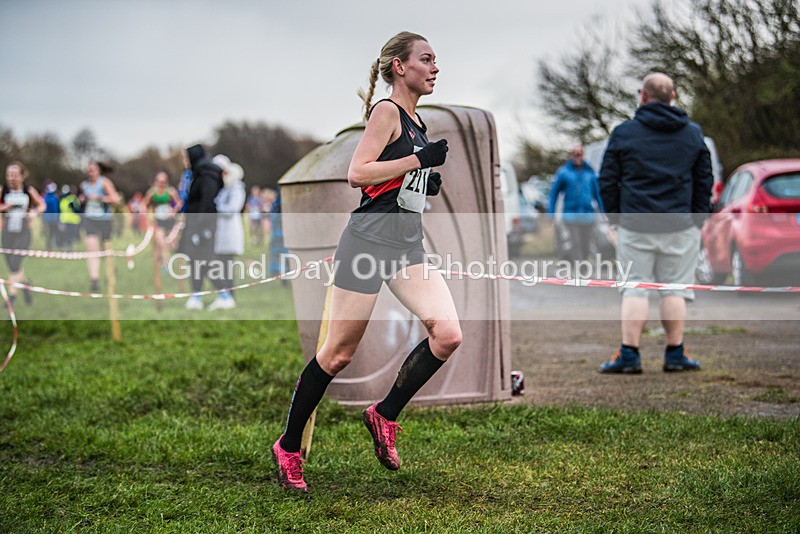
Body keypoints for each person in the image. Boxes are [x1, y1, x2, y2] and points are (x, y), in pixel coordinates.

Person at [271, 31, 458, 492]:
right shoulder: (387, 112)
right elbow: (357, 174)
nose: (435, 68)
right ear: (400, 66)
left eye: (436, 61)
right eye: (427, 60)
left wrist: (420, 185)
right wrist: (417, 160)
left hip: (407, 246)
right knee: (338, 354)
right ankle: (288, 447)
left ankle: (384, 414)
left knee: (449, 334)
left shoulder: (417, 120)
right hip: (368, 245)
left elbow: (390, 180)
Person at [597, 73, 713, 374]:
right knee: (675, 291)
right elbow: (704, 179)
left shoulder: (624, 133)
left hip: (636, 224)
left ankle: (630, 355)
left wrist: (615, 218)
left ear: (643, 96)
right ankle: (675, 353)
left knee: (634, 290)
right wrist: (699, 218)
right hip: (680, 224)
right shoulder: (693, 134)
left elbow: (607, 180)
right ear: (673, 95)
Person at [178, 144, 223, 310]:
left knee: (207, 261)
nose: (184, 161)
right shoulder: (197, 174)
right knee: (195, 261)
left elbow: (207, 202)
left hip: (203, 224)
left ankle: (224, 294)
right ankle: (196, 295)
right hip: (194, 223)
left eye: (185, 157)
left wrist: (203, 229)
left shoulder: (207, 174)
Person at [547, 145, 604, 262]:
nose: (577, 156)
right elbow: (554, 193)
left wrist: (604, 212)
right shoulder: (564, 172)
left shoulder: (590, 173)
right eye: (575, 154)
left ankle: (582, 262)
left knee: (586, 243)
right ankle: (579, 267)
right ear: (571, 155)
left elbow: (597, 195)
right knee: (575, 242)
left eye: (580, 154)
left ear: (583, 155)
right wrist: (551, 213)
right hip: (570, 215)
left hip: (587, 215)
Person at [1, 162, 45, 305]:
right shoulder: (3, 191)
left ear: (21, 176)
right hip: (7, 233)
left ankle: (11, 297)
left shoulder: (28, 191)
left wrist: (34, 212)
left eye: (14, 175)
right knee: (13, 267)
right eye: (9, 175)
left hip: (23, 233)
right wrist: (5, 207)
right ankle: (26, 285)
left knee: (15, 263)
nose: (11, 178)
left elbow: (42, 205)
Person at [208, 155, 246, 311]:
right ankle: (225, 296)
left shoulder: (236, 187)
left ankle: (228, 297)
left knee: (226, 265)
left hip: (230, 232)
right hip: (221, 232)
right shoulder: (223, 187)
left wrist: (214, 207)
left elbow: (232, 209)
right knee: (221, 265)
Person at [79, 161, 121, 292]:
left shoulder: (104, 182)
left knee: (104, 249)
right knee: (91, 248)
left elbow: (115, 199)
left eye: (93, 170)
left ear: (98, 171)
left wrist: (99, 198)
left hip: (104, 220)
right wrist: (82, 200)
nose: (90, 173)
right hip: (90, 219)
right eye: (88, 170)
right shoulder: (84, 185)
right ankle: (94, 279)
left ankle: (110, 271)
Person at [143, 171, 183, 269]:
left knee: (172, 243)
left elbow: (179, 203)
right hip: (159, 220)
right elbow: (144, 204)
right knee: (161, 242)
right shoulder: (152, 192)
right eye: (159, 181)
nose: (161, 184)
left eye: (163, 182)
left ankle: (177, 261)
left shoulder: (170, 191)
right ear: (156, 182)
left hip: (170, 220)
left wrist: (173, 211)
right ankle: (165, 264)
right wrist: (148, 214)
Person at [59, 184, 81, 251]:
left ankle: (71, 247)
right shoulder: (63, 200)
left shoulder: (74, 198)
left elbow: (78, 209)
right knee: (66, 235)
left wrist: (74, 207)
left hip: (73, 221)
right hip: (64, 221)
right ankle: (67, 247)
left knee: (72, 235)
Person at [42, 181, 61, 250]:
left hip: (53, 219)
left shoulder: (52, 197)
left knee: (53, 233)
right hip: (50, 219)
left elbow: (57, 209)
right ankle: (50, 245)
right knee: (50, 233)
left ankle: (52, 245)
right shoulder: (50, 197)